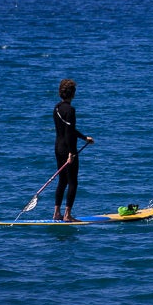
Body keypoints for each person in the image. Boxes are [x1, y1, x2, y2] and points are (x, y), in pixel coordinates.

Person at [52, 78, 93, 222]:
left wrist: (84, 138)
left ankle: (56, 213)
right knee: (73, 182)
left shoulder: (56, 108)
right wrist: (71, 153)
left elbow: (67, 129)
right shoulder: (70, 110)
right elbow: (69, 133)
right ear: (73, 94)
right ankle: (67, 215)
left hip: (58, 147)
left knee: (62, 181)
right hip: (68, 149)